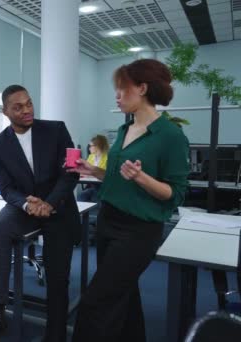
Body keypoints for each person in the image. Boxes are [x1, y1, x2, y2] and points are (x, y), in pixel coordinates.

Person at [70, 59, 189, 342]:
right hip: (108, 221)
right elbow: (115, 177)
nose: (117, 95)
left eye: (122, 89)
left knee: (96, 303)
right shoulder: (125, 130)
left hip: (138, 231)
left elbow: (176, 193)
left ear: (143, 89)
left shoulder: (171, 136)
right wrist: (94, 171)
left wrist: (141, 178)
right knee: (124, 298)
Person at [0, 85, 80, 342]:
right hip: (24, 205)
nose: (26, 110)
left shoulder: (56, 129)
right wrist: (26, 204)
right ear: (5, 111)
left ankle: (55, 335)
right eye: (18, 107)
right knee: (0, 228)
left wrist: (50, 203)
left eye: (29, 103)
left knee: (57, 276)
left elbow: (71, 173)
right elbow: (5, 187)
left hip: (57, 207)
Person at [77, 134, 109, 203]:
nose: (89, 148)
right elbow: (86, 171)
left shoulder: (107, 158)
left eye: (90, 146)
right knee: (80, 197)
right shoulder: (91, 156)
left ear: (97, 146)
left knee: (95, 197)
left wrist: (90, 173)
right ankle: (84, 214)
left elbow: (104, 173)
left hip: (102, 188)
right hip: (92, 186)